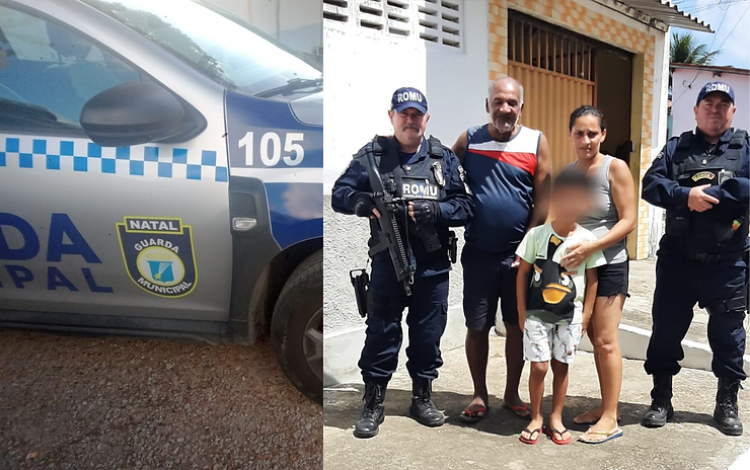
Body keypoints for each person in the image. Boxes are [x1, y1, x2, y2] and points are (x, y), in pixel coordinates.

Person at [332, 87, 474, 438]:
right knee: (381, 331)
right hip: (387, 264)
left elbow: (467, 206)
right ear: (392, 117)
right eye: (403, 114)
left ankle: (422, 396)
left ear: (426, 119)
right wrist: (361, 201)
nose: (410, 120)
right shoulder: (373, 156)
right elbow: (340, 194)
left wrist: (437, 211)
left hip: (432, 265)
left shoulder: (443, 158)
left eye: (417, 114)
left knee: (428, 334)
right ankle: (373, 400)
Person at [641, 81, 750, 436]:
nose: (715, 110)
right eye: (708, 103)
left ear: (732, 111)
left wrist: (719, 193)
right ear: (696, 109)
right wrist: (685, 195)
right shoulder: (677, 148)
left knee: (729, 334)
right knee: (665, 331)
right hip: (678, 259)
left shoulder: (745, 147)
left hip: (727, 261)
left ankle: (727, 402)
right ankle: (661, 398)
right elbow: (651, 184)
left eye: (723, 104)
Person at [452, 77, 550, 422]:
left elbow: (543, 200)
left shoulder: (536, 142)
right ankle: (479, 394)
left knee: (516, 326)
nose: (505, 109)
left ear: (520, 107)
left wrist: (529, 244)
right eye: (498, 102)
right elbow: (444, 176)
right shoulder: (470, 139)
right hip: (478, 253)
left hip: (518, 257)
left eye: (512, 103)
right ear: (487, 105)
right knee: (477, 326)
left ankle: (511, 393)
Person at [561, 106, 636, 444]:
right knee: (592, 340)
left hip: (609, 263)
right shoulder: (567, 174)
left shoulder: (614, 168)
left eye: (593, 133)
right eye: (580, 133)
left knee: (605, 340)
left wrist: (593, 246)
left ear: (603, 134)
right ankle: (605, 407)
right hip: (579, 269)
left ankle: (610, 416)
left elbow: (628, 220)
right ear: (571, 135)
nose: (586, 139)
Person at [516, 169, 606, 445]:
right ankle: (536, 417)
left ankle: (555, 417)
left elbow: (592, 280)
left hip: (571, 317)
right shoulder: (536, 236)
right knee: (539, 367)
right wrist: (522, 312)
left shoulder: (588, 240)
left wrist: (587, 314)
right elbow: (522, 274)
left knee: (561, 366)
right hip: (536, 315)